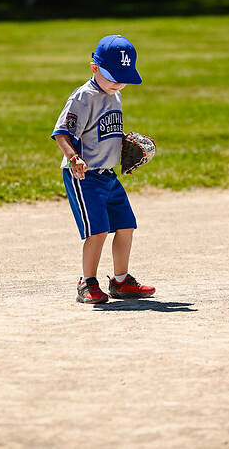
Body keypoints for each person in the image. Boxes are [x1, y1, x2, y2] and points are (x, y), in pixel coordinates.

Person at [52, 35, 155, 303]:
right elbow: (62, 133)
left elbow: (103, 131)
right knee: (97, 231)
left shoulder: (115, 95)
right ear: (94, 68)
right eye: (113, 76)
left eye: (124, 77)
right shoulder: (83, 97)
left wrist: (122, 147)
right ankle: (87, 283)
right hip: (84, 175)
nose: (119, 82)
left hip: (108, 174)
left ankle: (121, 281)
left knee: (126, 226)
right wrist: (74, 158)